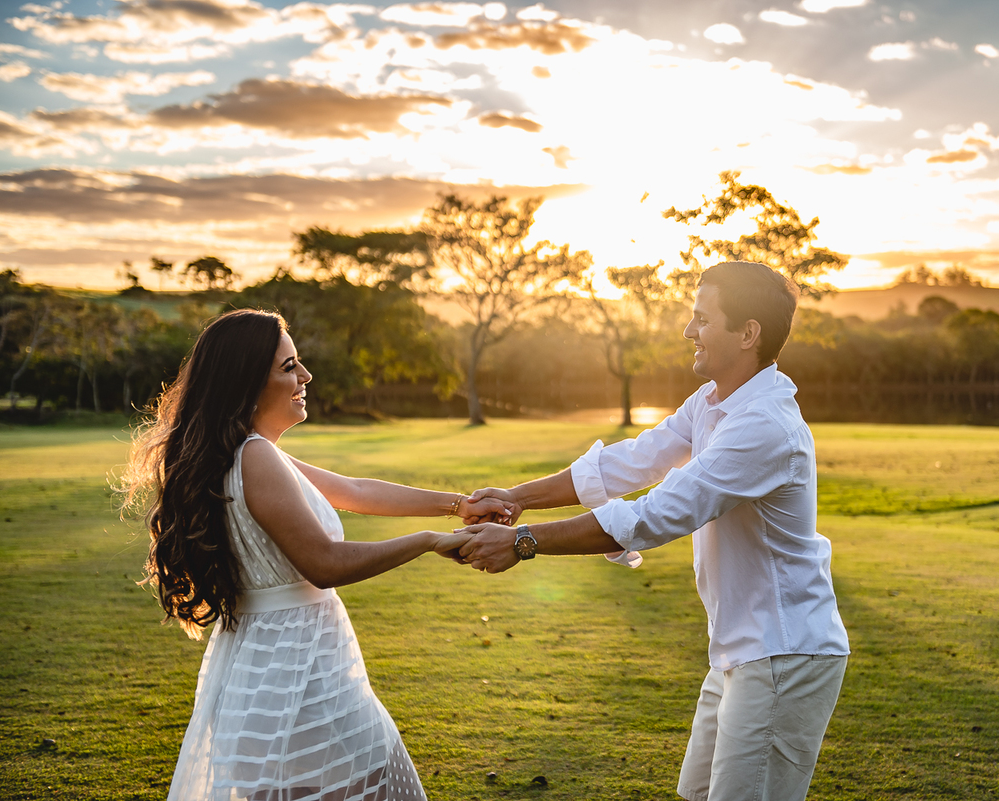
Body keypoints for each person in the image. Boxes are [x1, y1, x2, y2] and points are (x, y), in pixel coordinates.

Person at [455, 261, 850, 801]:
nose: (688, 331)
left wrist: (525, 544)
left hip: (783, 653)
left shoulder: (764, 426)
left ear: (748, 333)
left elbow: (653, 515)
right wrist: (517, 498)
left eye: (702, 318)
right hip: (741, 650)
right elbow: (631, 462)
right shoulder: (713, 403)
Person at [120, 309, 510, 801]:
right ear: (245, 381)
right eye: (288, 367)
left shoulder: (244, 451)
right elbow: (324, 564)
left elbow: (352, 490)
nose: (305, 376)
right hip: (298, 677)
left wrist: (459, 506)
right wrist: (429, 541)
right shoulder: (254, 456)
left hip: (267, 670)